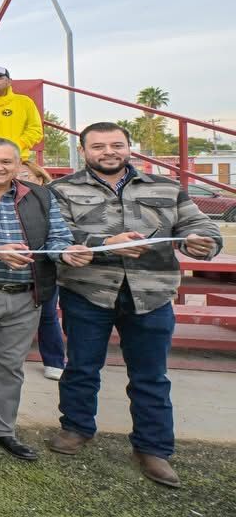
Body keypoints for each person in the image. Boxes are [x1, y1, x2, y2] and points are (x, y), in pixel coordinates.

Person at [47, 123, 222, 488]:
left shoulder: (167, 187)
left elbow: (200, 225)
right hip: (88, 292)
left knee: (150, 375)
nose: (108, 152)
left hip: (151, 293)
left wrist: (202, 241)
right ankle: (76, 427)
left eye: (116, 144)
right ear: (84, 151)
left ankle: (152, 447)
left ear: (130, 147)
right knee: (81, 367)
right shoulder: (61, 189)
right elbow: (56, 234)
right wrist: (105, 242)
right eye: (98, 146)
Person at [0, 137, 89, 460]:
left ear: (19, 165)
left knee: (10, 366)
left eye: (6, 162)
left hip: (28, 295)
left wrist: (66, 251)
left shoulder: (40, 195)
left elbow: (57, 236)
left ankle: (0, 428)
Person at [19, 160, 66, 379]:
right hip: (10, 267)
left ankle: (54, 361)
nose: (20, 179)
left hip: (43, 267)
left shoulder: (49, 201)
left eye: (26, 176)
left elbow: (59, 235)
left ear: (40, 178)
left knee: (47, 315)